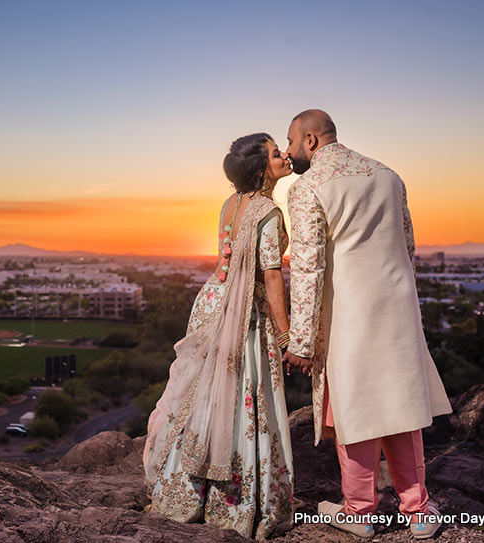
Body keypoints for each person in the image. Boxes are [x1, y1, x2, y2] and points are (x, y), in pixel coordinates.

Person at [282, 109, 453, 539]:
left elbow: (307, 268)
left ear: (310, 140)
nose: (287, 153)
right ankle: (419, 511)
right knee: (401, 401)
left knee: (353, 407)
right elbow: (408, 244)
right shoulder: (388, 175)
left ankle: (359, 511)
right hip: (397, 305)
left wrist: (301, 340)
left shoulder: (309, 187)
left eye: (290, 143)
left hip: (350, 310)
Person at [143, 133, 295, 539]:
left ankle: (186, 489)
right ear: (263, 167)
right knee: (243, 397)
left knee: (203, 396)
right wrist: (286, 335)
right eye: (276, 152)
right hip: (243, 311)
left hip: (214, 300)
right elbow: (272, 275)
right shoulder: (267, 210)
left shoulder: (231, 203)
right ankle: (237, 501)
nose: (284, 155)